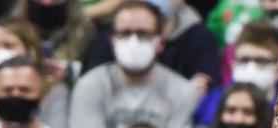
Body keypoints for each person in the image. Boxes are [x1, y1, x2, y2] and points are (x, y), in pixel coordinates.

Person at [68, 0, 201, 128]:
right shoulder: (90, 85)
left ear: (160, 42)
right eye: (125, 33)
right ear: (113, 40)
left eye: (143, 34)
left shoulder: (182, 91)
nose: (133, 41)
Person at [89, 0, 220, 92]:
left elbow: (204, 85)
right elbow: (97, 83)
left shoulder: (199, 37)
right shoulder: (112, 34)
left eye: (144, 34)